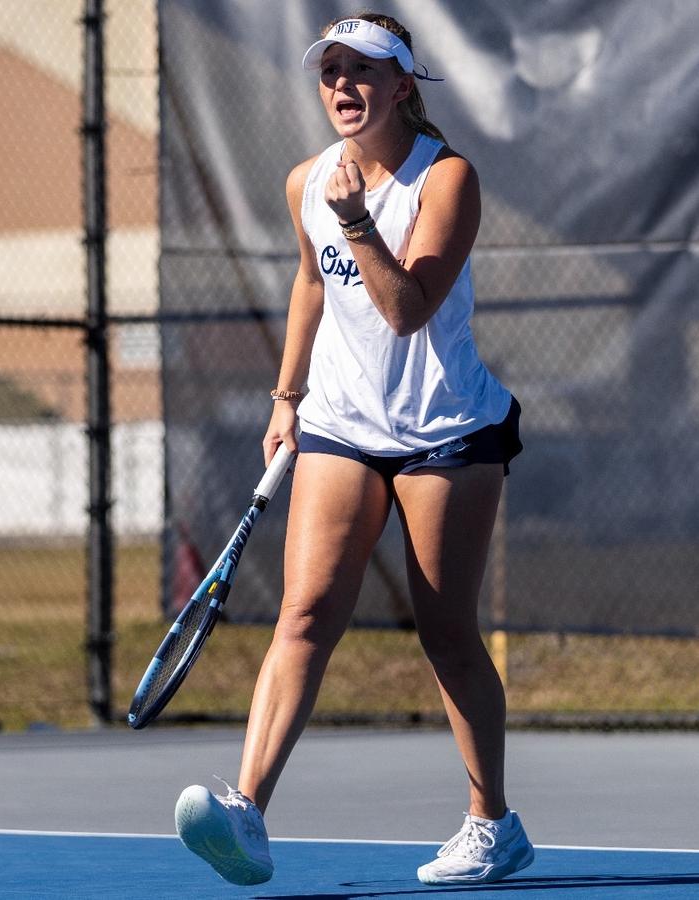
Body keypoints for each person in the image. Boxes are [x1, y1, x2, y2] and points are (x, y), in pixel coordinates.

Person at [172, 12, 531, 888]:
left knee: (446, 633)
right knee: (304, 614)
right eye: (330, 69)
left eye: (362, 70)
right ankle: (247, 812)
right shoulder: (309, 182)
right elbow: (309, 281)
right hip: (339, 426)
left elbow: (406, 313)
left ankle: (494, 826)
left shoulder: (447, 181)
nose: (342, 84)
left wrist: (360, 224)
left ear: (403, 85)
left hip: (447, 432)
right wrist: (287, 397)